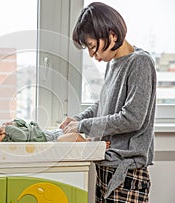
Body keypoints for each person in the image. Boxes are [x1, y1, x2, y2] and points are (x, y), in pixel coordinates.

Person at [60, 2, 156, 202]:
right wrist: (77, 120)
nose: (92, 55)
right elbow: (103, 105)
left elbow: (132, 118)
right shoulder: (113, 63)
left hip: (127, 172)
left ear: (112, 34)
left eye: (93, 47)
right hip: (106, 164)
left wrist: (83, 126)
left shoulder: (140, 63)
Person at [0, 118, 87, 142]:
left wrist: (14, 122)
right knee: (72, 137)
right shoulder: (6, 142)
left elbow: (23, 124)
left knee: (68, 128)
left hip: (46, 133)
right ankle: (89, 144)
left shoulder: (7, 130)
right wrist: (9, 128)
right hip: (48, 141)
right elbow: (23, 136)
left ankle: (88, 137)